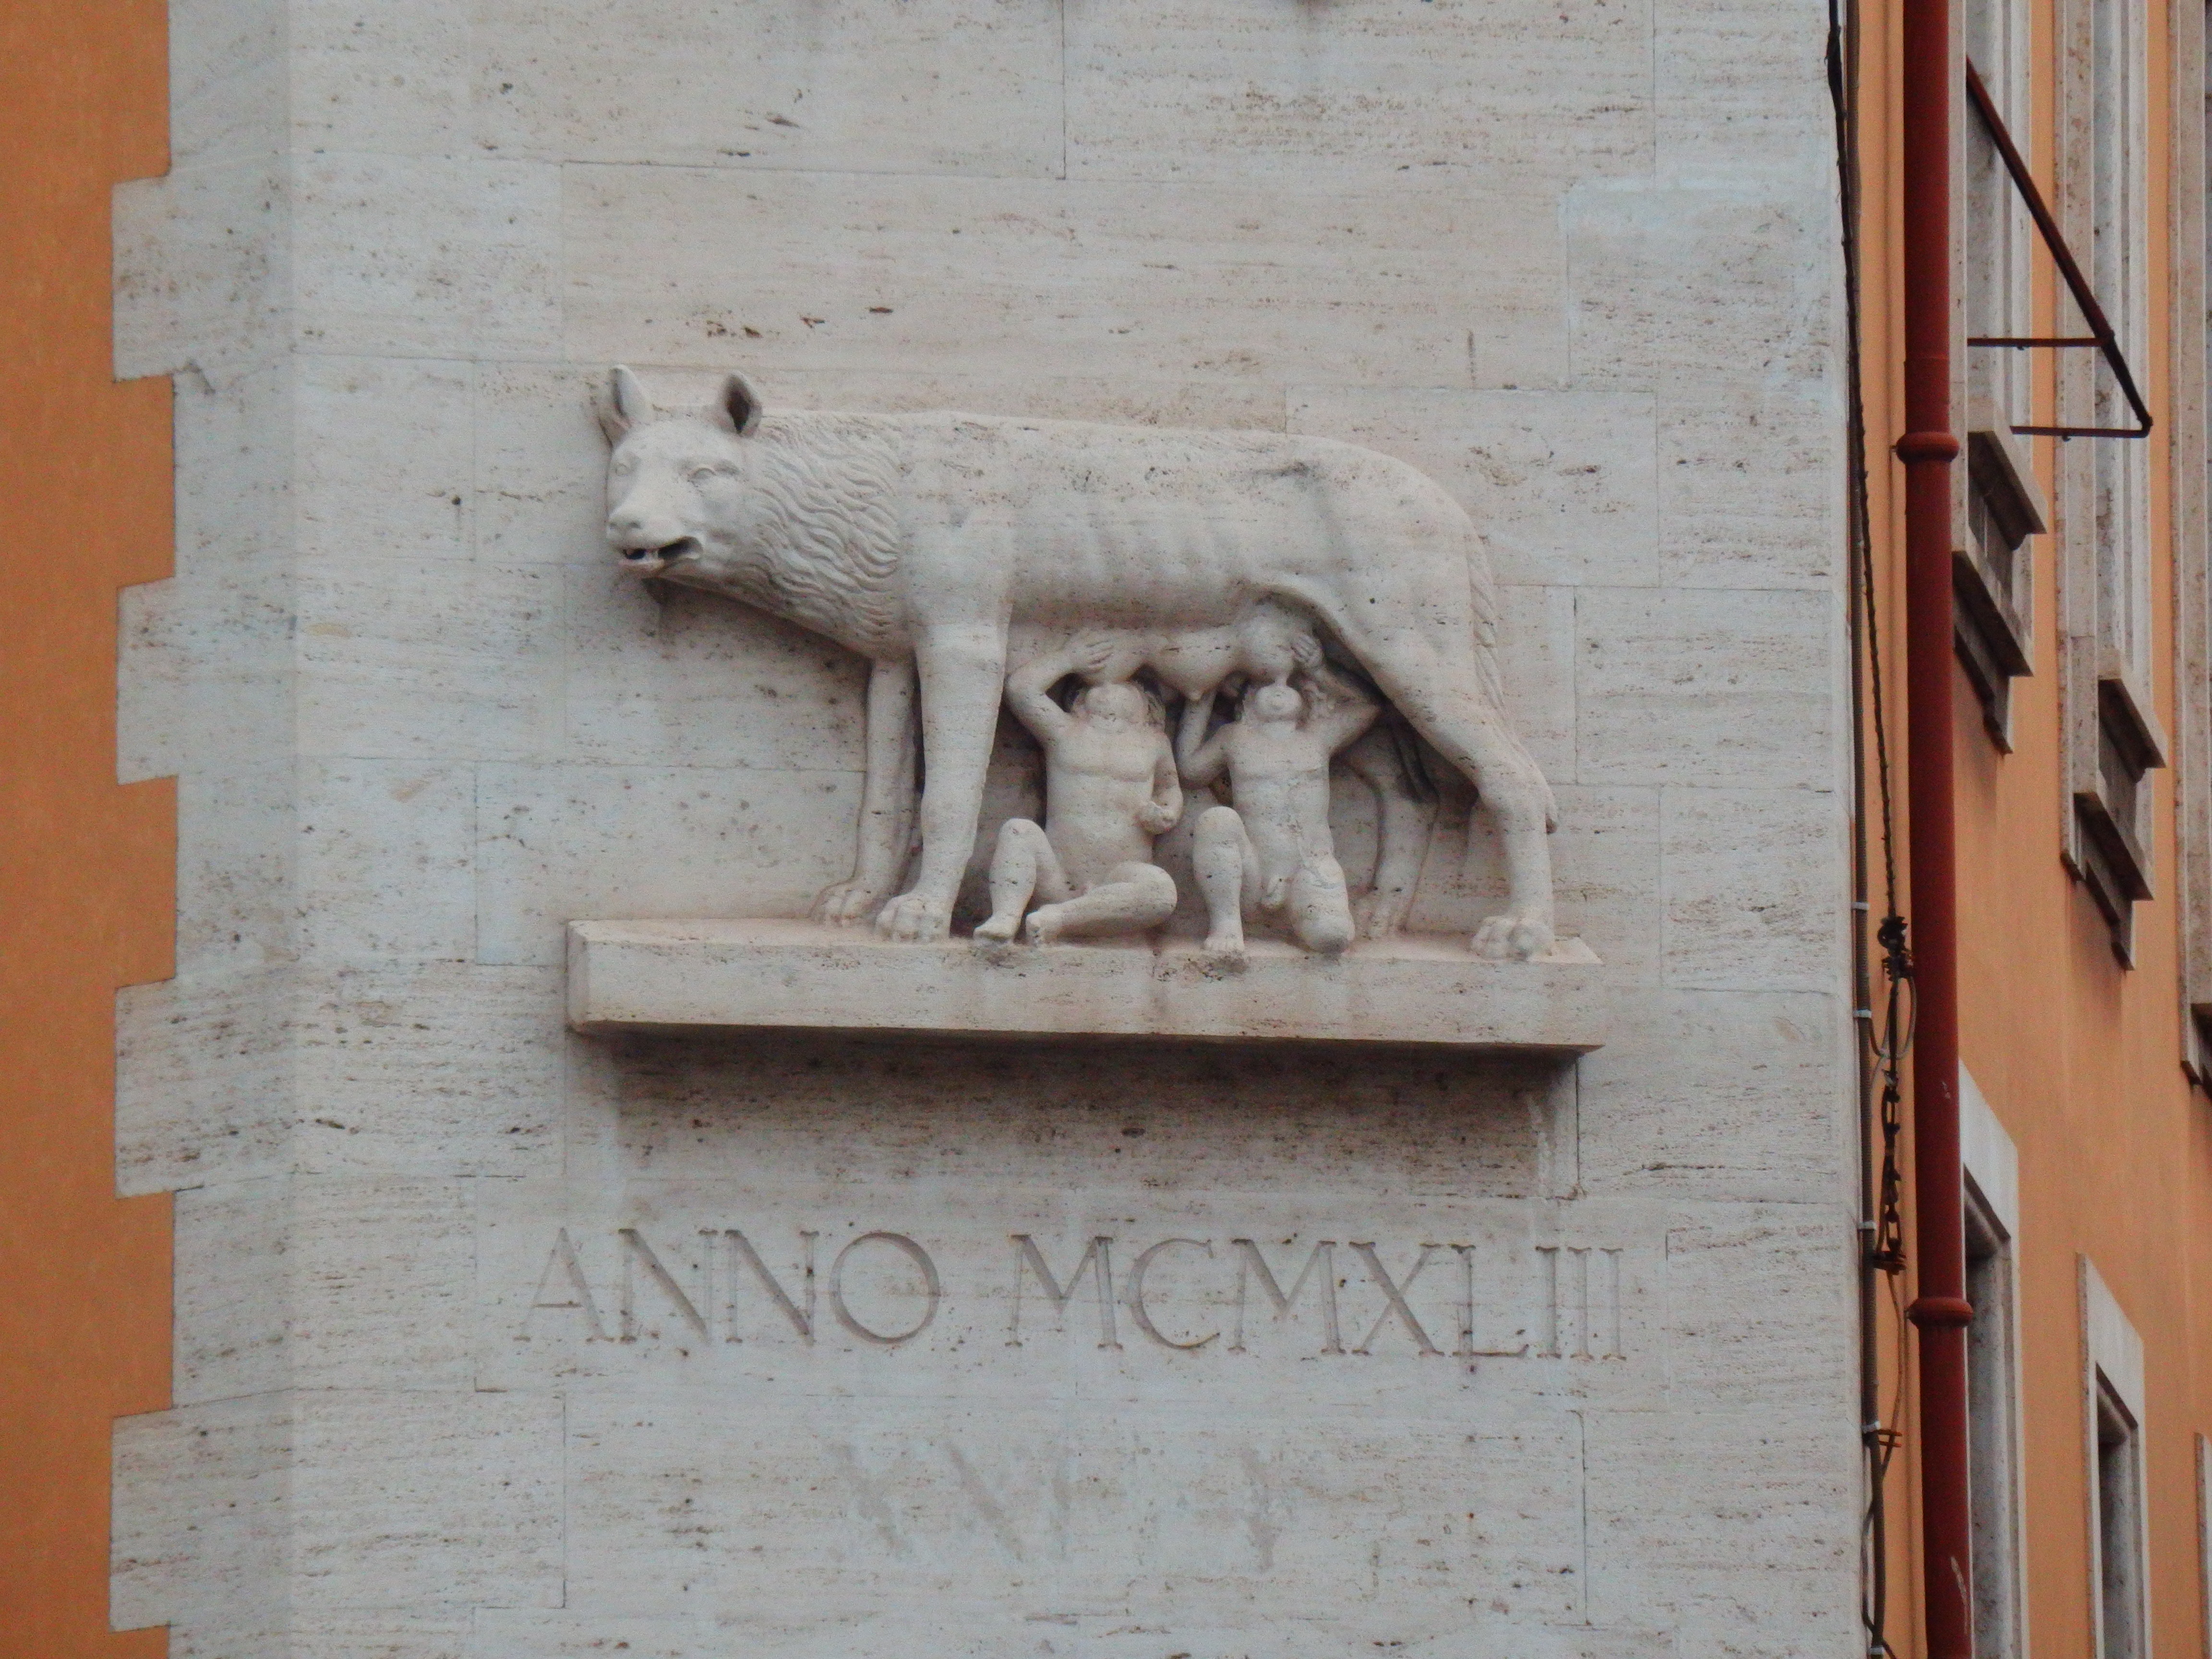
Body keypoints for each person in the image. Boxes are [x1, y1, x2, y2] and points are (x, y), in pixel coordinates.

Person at [1175, 638, 1380, 959]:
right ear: (1247, 703)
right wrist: (1201, 698)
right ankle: (1227, 924)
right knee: (1218, 821)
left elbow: (1366, 707)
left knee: (1333, 937)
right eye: (1267, 684)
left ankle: (1304, 916)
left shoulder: (1317, 737)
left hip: (1309, 869)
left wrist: (1319, 669)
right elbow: (1190, 771)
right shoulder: (1236, 737)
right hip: (1253, 872)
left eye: (1288, 684)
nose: (1279, 687)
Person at [974, 637, 1182, 945]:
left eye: (1125, 684)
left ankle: (1059, 918)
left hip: (1120, 880)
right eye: (1100, 685)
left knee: (1160, 890)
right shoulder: (1064, 731)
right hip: (1058, 875)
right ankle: (1006, 916)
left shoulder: (1155, 743)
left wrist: (1167, 812)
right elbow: (1021, 690)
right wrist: (1068, 659)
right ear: (1080, 701)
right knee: (1018, 831)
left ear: (1145, 702)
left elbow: (1170, 787)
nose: (1111, 688)